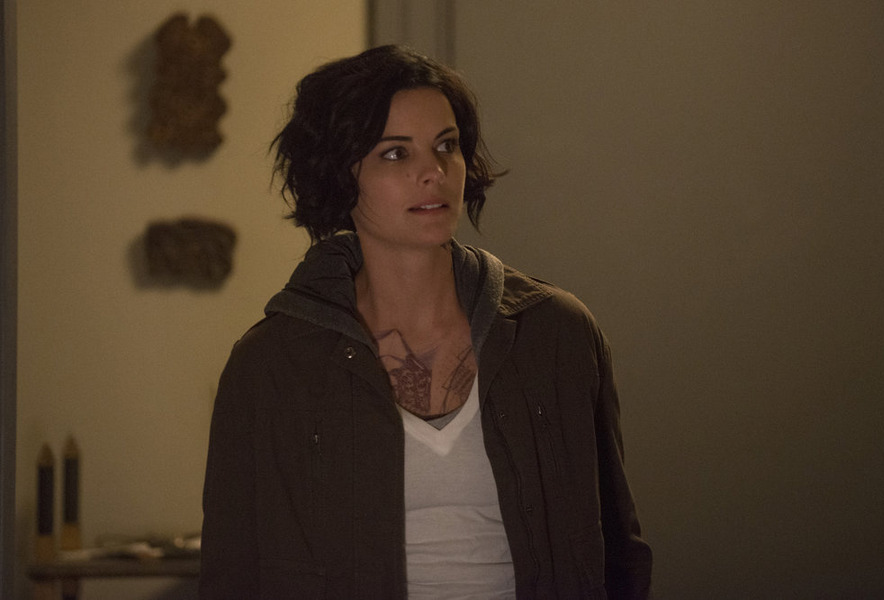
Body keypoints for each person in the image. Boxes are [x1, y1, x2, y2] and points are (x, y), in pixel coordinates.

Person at [200, 44, 652, 599]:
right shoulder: (272, 363)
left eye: (447, 146)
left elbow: (620, 552)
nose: (433, 172)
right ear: (341, 175)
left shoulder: (555, 333)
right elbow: (233, 572)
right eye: (395, 153)